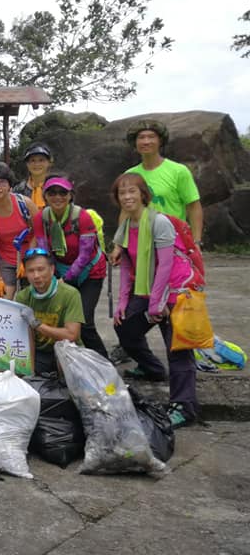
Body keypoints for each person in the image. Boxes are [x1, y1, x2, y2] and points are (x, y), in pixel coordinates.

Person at [111, 172, 199, 428]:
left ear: (142, 194)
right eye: (122, 193)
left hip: (176, 291)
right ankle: (152, 368)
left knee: (179, 349)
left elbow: (165, 266)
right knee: (124, 326)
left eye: (132, 191)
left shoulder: (159, 222)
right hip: (147, 289)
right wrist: (122, 303)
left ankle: (184, 406)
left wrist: (156, 305)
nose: (127, 197)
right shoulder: (126, 226)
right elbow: (127, 269)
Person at [39, 176, 108, 359]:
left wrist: (64, 279)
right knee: (62, 319)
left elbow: (85, 254)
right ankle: (75, 361)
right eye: (52, 192)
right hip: (62, 270)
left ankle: (103, 363)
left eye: (63, 192)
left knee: (83, 321)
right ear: (45, 196)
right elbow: (44, 250)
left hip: (91, 272)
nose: (57, 197)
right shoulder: (42, 217)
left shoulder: (82, 217)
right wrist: (50, 277)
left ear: (70, 195)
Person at [125, 120, 203, 245]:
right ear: (135, 142)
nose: (146, 141)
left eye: (151, 137)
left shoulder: (178, 171)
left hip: (174, 240)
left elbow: (193, 206)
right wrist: (120, 244)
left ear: (160, 141)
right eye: (141, 138)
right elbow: (126, 211)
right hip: (140, 242)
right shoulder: (129, 174)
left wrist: (196, 242)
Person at [14, 248, 84, 376]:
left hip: (67, 350)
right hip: (40, 353)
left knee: (66, 358)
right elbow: (27, 337)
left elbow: (72, 335)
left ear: (51, 270)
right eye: (31, 271)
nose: (36, 276)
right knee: (4, 368)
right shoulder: (23, 297)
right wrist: (30, 372)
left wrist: (37, 324)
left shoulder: (70, 294)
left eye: (41, 269)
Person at [0, 162, 41, 300]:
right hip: (5, 258)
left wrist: (29, 257)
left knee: (33, 300)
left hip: (31, 255)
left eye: (2, 182)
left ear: (9, 185)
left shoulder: (24, 203)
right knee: (4, 301)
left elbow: (39, 231)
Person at [13, 142, 53, 209]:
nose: (37, 164)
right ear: (27, 164)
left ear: (49, 163)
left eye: (41, 160)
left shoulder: (57, 187)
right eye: (32, 160)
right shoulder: (19, 190)